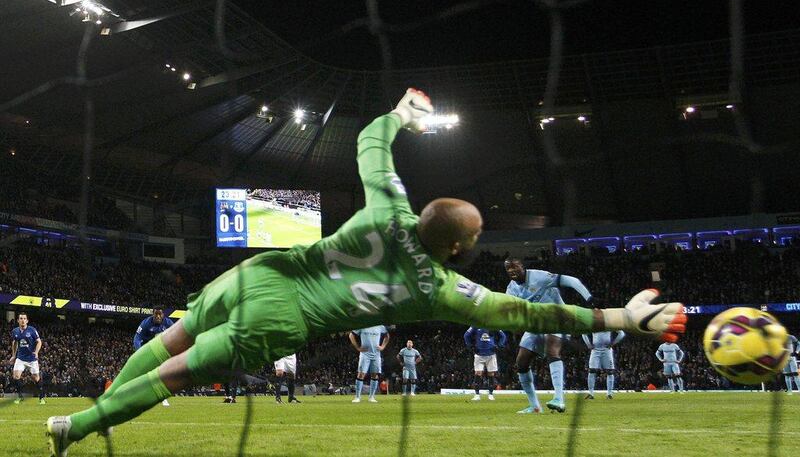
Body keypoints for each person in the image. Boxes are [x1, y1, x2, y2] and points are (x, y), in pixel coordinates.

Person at [47, 88, 685, 456]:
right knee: (174, 372)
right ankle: (75, 428)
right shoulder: (444, 292)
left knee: (168, 342)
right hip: (285, 317)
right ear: (460, 249)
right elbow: (527, 313)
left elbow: (368, 146)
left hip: (259, 273)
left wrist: (401, 115)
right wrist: (619, 318)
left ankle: (92, 412)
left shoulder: (391, 208)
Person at [504, 258, 594, 413]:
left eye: (515, 267)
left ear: (522, 267)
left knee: (552, 350)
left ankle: (559, 399)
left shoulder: (540, 277)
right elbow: (512, 311)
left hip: (557, 317)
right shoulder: (511, 289)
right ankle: (535, 406)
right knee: (521, 362)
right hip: (535, 324)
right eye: (509, 269)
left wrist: (589, 298)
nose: (512, 271)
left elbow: (571, 281)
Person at [133, 307, 174, 407]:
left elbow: (175, 335)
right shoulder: (146, 323)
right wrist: (139, 352)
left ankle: (162, 397)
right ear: (153, 314)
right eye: (156, 314)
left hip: (161, 349)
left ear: (163, 314)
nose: (158, 316)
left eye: (160, 314)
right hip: (147, 349)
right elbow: (137, 338)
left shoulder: (169, 323)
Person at [9, 312, 45, 404]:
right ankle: (20, 397)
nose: (22, 320)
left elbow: (39, 342)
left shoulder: (32, 330)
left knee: (36, 378)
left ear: (27, 321)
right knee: (16, 376)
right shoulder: (15, 331)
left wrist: (36, 352)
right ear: (18, 320)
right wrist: (13, 355)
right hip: (20, 358)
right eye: (21, 318)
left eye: (24, 318)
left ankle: (41, 398)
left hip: (32, 359)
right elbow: (15, 343)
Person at [464, 326, 505, 401]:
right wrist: (471, 346)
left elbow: (503, 336)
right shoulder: (475, 326)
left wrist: (499, 345)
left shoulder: (493, 325)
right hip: (479, 355)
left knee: (491, 374)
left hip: (491, 354)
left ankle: (491, 394)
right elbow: (466, 335)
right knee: (478, 373)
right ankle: (477, 395)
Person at [350, 325, 389, 403]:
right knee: (361, 374)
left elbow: (387, 336)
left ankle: (371, 397)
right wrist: (358, 347)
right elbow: (351, 335)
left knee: (375, 375)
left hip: (376, 354)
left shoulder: (380, 326)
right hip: (365, 354)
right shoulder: (363, 324)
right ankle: (357, 397)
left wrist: (383, 346)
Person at [582, 331, 625, 399]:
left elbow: (621, 333)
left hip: (607, 349)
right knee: (592, 371)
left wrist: (613, 343)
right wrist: (588, 344)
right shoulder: (593, 324)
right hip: (595, 350)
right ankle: (591, 393)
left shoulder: (608, 323)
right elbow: (584, 333)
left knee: (610, 372)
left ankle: (609, 394)